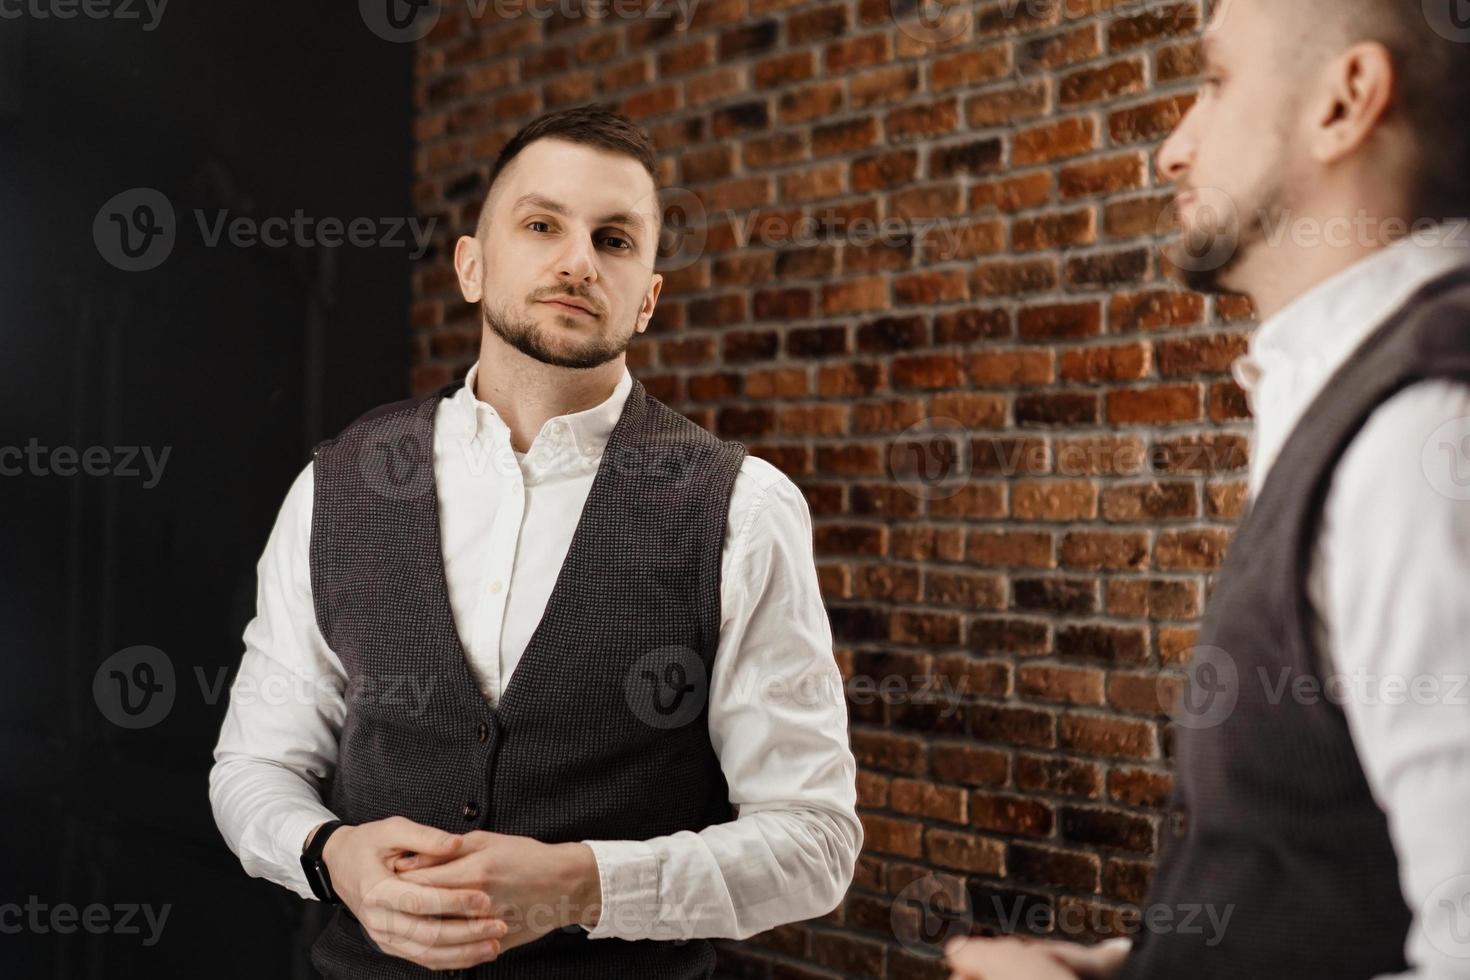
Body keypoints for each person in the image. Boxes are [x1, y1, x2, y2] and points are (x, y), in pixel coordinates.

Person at [209, 103, 861, 978]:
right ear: (472, 266)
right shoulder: (337, 484)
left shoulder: (742, 508)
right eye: (542, 224)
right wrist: (330, 855)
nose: (578, 261)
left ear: (649, 296)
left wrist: (581, 885)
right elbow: (254, 763)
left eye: (616, 240)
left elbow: (814, 844)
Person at [948, 0, 1470, 977]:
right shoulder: (1365, 392)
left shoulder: (1425, 434)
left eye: (1217, 81)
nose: (1171, 151)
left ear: (1344, 101)